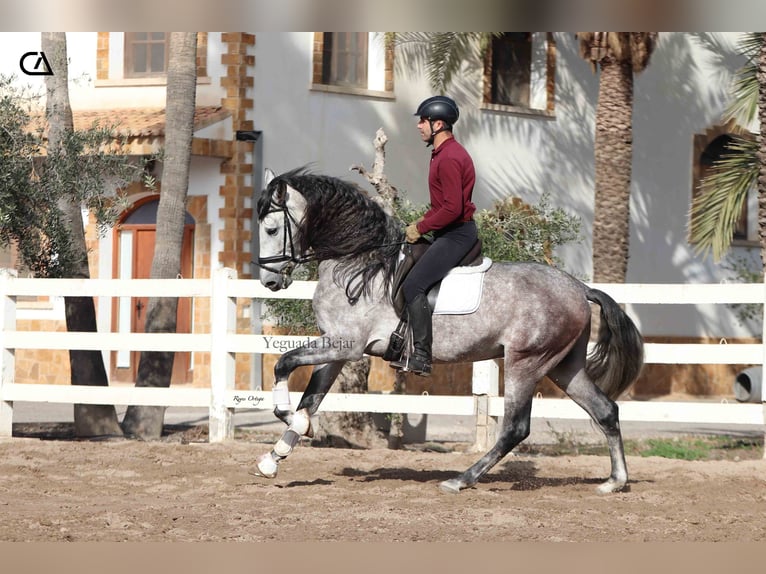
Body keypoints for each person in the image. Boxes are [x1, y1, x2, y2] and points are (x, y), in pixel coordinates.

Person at [394, 95, 478, 376]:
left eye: (423, 121)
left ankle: (421, 356)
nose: (419, 126)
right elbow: (442, 206)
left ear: (438, 124)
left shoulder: (450, 158)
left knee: (413, 286)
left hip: (456, 235)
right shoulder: (442, 154)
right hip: (446, 231)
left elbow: (453, 209)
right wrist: (420, 223)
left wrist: (421, 228)